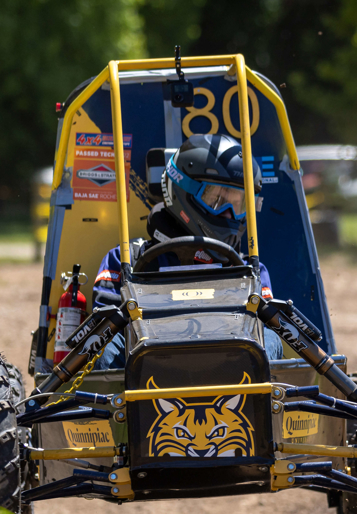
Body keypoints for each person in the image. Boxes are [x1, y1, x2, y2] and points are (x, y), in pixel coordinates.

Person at [93, 133, 284, 369]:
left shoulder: (249, 271)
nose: (229, 215)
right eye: (216, 200)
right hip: (146, 377)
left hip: (231, 376)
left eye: (238, 204)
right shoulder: (125, 260)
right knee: (101, 343)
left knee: (272, 337)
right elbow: (102, 330)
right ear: (183, 190)